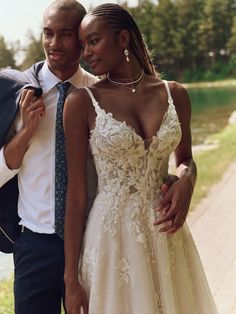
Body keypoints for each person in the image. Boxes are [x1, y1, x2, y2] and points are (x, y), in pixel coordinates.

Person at [63, 3, 218, 314]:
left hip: (167, 238)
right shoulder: (81, 102)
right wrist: (71, 281)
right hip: (112, 242)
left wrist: (187, 179)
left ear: (122, 38)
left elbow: (185, 159)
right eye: (82, 46)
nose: (86, 53)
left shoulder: (176, 94)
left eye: (93, 41)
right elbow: (76, 197)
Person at [0, 1, 98, 313]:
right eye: (48, 33)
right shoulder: (18, 94)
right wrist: (26, 132)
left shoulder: (100, 95)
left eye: (65, 34)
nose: (54, 44)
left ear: (82, 38)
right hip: (35, 246)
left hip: (92, 241)